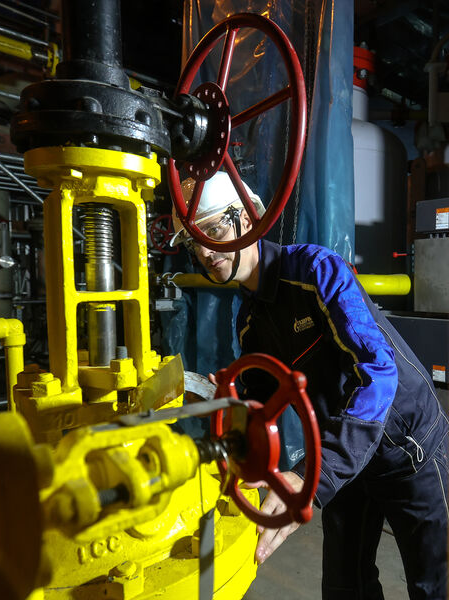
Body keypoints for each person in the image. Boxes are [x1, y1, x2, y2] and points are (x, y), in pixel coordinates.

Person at [170, 171, 449, 600]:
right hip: (342, 454)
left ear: (247, 217)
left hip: (407, 448)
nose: (206, 252)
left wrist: (310, 479)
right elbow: (262, 401)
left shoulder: (317, 271)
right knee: (344, 587)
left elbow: (378, 372)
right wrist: (228, 405)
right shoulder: (250, 320)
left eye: (213, 230)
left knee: (434, 585)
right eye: (194, 243)